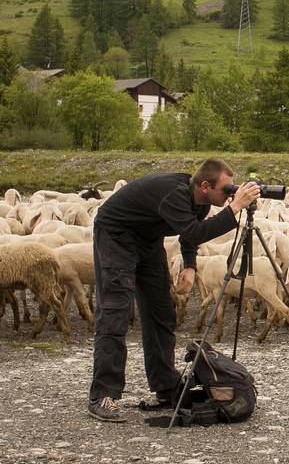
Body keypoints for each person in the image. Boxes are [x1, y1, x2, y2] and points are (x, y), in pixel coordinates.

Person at [87, 158, 260, 423]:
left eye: (231, 190)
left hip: (147, 240)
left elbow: (189, 235)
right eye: (225, 190)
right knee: (115, 311)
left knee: (161, 310)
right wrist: (236, 207)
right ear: (204, 186)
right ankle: (103, 395)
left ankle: (166, 387)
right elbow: (194, 230)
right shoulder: (175, 195)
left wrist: (189, 266)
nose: (230, 195)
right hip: (115, 236)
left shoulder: (198, 201)